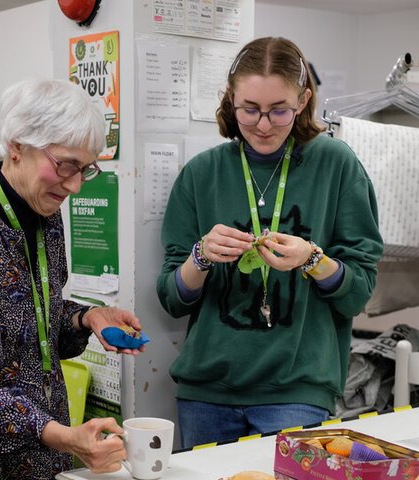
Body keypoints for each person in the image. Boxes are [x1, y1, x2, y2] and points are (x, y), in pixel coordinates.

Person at [156, 37, 384, 449]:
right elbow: (172, 298)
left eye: (279, 110)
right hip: (207, 392)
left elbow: (358, 292)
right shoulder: (201, 174)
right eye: (250, 110)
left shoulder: (336, 165)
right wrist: (201, 257)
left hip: (296, 391)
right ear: (230, 100)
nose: (264, 125)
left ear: (304, 101)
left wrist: (312, 259)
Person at [0, 79, 145, 479]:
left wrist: (87, 318)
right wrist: (60, 435)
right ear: (17, 146)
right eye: (65, 164)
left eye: (85, 168)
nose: (74, 185)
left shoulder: (46, 218)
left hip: (41, 459)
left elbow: (32, 321)